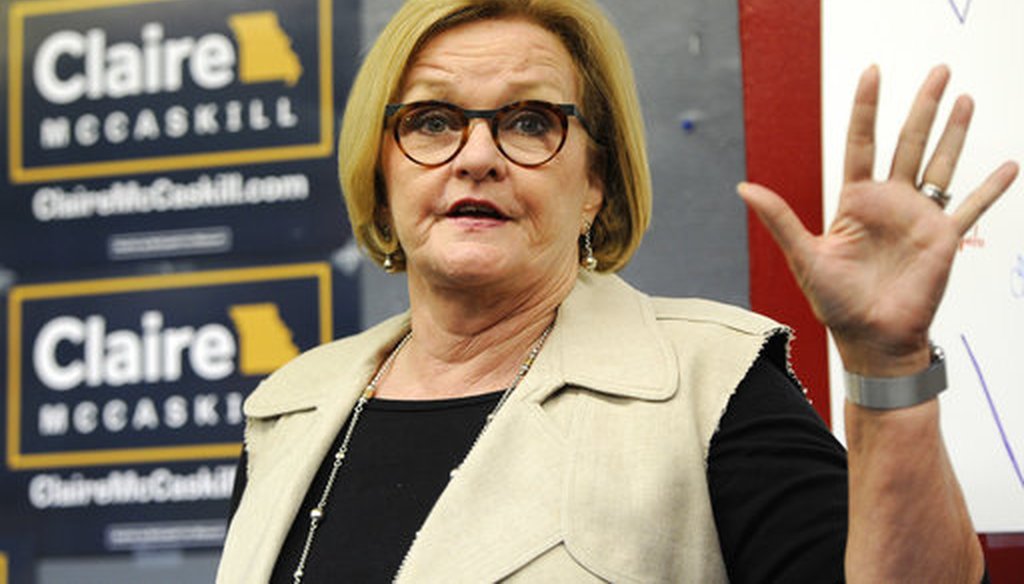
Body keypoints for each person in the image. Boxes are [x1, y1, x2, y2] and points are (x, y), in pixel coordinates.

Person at [217, 0, 1018, 582]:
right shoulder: (291, 407)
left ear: (595, 185)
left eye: (530, 122)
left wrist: (889, 363)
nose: (477, 156)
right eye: (432, 120)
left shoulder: (711, 381)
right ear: (381, 171)